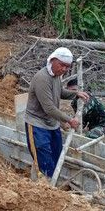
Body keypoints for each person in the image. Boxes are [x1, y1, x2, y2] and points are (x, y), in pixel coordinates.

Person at [24, 47, 89, 178]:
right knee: (44, 162)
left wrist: (76, 94)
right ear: (52, 60)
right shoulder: (42, 78)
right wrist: (69, 120)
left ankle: (51, 187)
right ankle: (44, 188)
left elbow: (60, 92)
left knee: (56, 157)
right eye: (62, 65)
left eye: (67, 67)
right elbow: (49, 108)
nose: (64, 69)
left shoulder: (57, 76)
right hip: (37, 125)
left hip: (52, 124)